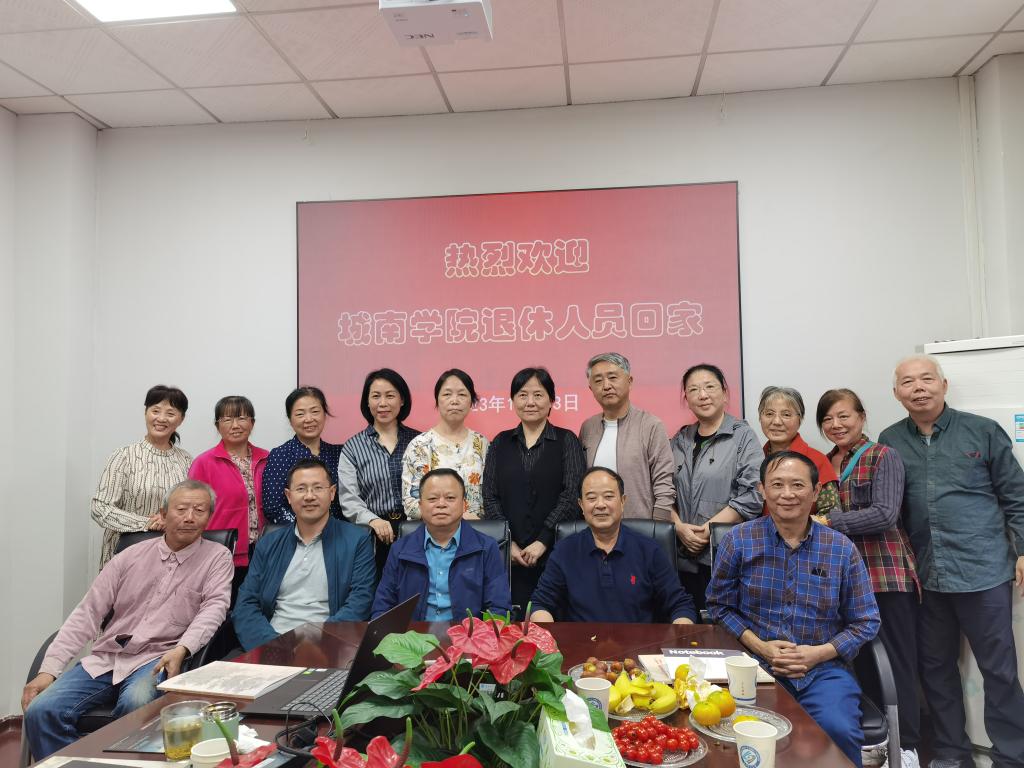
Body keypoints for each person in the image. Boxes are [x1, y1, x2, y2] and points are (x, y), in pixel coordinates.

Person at [879, 354, 1024, 768]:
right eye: (908, 382)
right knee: (936, 669)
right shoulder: (890, 440)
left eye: (927, 379)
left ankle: (1012, 756)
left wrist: (1023, 549)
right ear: (896, 393)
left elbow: (1016, 496)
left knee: (999, 671)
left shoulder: (982, 430)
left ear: (943, 385)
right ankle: (951, 754)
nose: (919, 388)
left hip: (983, 570)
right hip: (925, 576)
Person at [24, 480, 232, 760]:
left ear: (209, 517)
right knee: (41, 710)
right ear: (163, 513)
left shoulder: (217, 557)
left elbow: (214, 608)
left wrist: (182, 649)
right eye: (181, 509)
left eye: (199, 510)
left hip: (159, 657)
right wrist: (49, 670)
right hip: (109, 657)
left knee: (136, 704)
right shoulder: (129, 556)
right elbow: (88, 612)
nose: (189, 517)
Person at [707, 452, 879, 768]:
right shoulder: (739, 540)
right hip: (753, 667)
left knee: (837, 730)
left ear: (815, 492)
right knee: (740, 735)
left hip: (823, 671)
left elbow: (866, 620)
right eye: (777, 485)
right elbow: (719, 605)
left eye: (798, 485)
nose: (787, 494)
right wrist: (760, 647)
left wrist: (818, 654)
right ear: (762, 490)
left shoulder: (841, 548)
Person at [816, 388, 922, 768]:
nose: (836, 424)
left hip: (885, 574)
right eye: (828, 419)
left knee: (897, 662)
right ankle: (879, 741)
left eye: (844, 416)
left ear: (861, 417)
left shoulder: (882, 456)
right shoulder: (825, 463)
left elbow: (885, 514)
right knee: (860, 663)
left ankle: (908, 746)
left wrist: (829, 521)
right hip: (844, 579)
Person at [234, 458, 376, 651]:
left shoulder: (357, 540)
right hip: (273, 645)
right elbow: (246, 603)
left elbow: (360, 602)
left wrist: (318, 644)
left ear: (332, 493)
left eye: (318, 488)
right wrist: (273, 646)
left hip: (329, 647)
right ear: (289, 496)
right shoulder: (268, 543)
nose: (309, 496)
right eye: (301, 489)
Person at [531, 466, 697, 624]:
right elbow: (540, 604)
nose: (600, 505)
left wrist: (679, 631)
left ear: (623, 501)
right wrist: (546, 637)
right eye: (591, 498)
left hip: (638, 643)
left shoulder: (649, 550)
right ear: (581, 505)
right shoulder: (564, 551)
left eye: (609, 496)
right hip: (581, 643)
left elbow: (681, 605)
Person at [482, 367, 586, 611]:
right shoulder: (500, 442)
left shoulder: (567, 440)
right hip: (511, 558)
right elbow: (490, 496)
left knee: (552, 619)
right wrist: (508, 543)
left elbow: (572, 494)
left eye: (538, 395)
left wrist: (543, 541)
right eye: (522, 395)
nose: (530, 402)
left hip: (556, 552)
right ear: (513, 400)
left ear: (551, 400)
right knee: (511, 621)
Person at [670, 364, 762, 613]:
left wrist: (708, 530)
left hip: (726, 554)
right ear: (686, 399)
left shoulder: (743, 436)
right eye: (694, 389)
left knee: (724, 624)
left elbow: (753, 494)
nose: (703, 395)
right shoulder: (679, 440)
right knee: (687, 623)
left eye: (709, 387)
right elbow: (662, 490)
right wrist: (678, 527)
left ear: (724, 393)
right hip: (682, 555)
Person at [372, 468, 511, 621]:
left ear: (464, 504)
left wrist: (478, 635)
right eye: (432, 499)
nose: (441, 504)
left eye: (450, 498)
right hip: (413, 634)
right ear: (420, 505)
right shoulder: (400, 550)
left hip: (468, 634)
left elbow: (499, 608)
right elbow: (383, 607)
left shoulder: (486, 548)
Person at [92, 385, 194, 567]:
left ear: (181, 419)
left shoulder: (187, 460)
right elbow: (100, 508)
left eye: (170, 413)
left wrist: (173, 521)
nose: (161, 418)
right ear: (146, 413)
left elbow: (193, 506)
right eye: (155, 411)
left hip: (173, 555)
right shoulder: (124, 455)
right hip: (126, 553)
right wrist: (147, 523)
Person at [578, 352, 675, 521]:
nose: (606, 386)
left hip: (641, 525)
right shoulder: (588, 427)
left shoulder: (651, 425)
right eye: (598, 380)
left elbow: (664, 482)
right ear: (590, 388)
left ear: (629, 381)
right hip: (595, 526)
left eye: (612, 377)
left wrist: (658, 527)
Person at [188, 395, 269, 594]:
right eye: (227, 419)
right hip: (223, 551)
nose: (235, 425)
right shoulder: (204, 463)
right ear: (217, 425)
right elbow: (193, 509)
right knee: (225, 607)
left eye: (242, 418)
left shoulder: (268, 459)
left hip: (264, 551)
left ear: (252, 423)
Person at [338, 369, 420, 564]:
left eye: (390, 396)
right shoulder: (353, 447)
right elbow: (349, 498)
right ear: (367, 401)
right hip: (373, 535)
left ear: (402, 400)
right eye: (376, 396)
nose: (382, 403)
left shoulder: (420, 441)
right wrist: (372, 520)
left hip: (418, 530)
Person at [401, 369, 488, 519]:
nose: (454, 400)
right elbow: (411, 504)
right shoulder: (420, 446)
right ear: (437, 400)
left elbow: (492, 496)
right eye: (447, 394)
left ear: (471, 401)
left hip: (476, 530)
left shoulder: (482, 443)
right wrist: (457, 518)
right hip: (433, 529)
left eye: (462, 394)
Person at [262, 387, 343, 524]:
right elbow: (273, 508)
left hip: (340, 531)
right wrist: (306, 528)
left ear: (324, 415)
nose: (309, 419)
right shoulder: (280, 455)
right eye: (300, 414)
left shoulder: (339, 453)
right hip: (297, 533)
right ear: (290, 420)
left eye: (315, 412)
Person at [758, 385, 839, 515]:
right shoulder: (753, 460)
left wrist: (800, 525)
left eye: (786, 414)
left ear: (799, 419)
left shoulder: (818, 460)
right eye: (769, 414)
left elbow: (831, 514)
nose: (776, 421)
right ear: (760, 418)